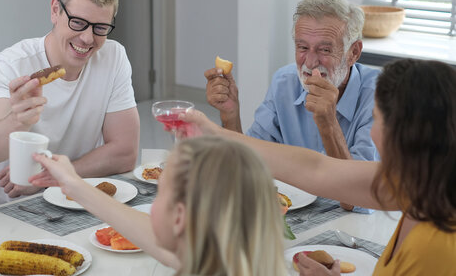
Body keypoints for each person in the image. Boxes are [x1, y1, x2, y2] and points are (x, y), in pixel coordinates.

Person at [182, 58, 456, 275]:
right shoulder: (423, 184)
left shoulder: (434, 247)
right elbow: (315, 168)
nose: (372, 132)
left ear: (404, 135)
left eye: (376, 120)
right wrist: (215, 134)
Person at [0, 0, 140, 212]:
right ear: (55, 10)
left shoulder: (113, 57)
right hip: (7, 211)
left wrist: (52, 176)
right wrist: (18, 120)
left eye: (100, 28)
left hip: (72, 204)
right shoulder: (11, 63)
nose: (87, 38)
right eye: (78, 22)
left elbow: (125, 153)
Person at [205, 0, 380, 212]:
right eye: (302, 47)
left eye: (325, 50)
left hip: (358, 223)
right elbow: (247, 167)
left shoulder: (380, 96)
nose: (310, 62)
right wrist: (230, 116)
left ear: (353, 53)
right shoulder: (284, 82)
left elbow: (357, 200)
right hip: (293, 215)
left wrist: (329, 124)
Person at [30, 136, 287, 276]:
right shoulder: (227, 257)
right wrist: (73, 184)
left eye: (160, 192)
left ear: (179, 218)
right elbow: (159, 238)